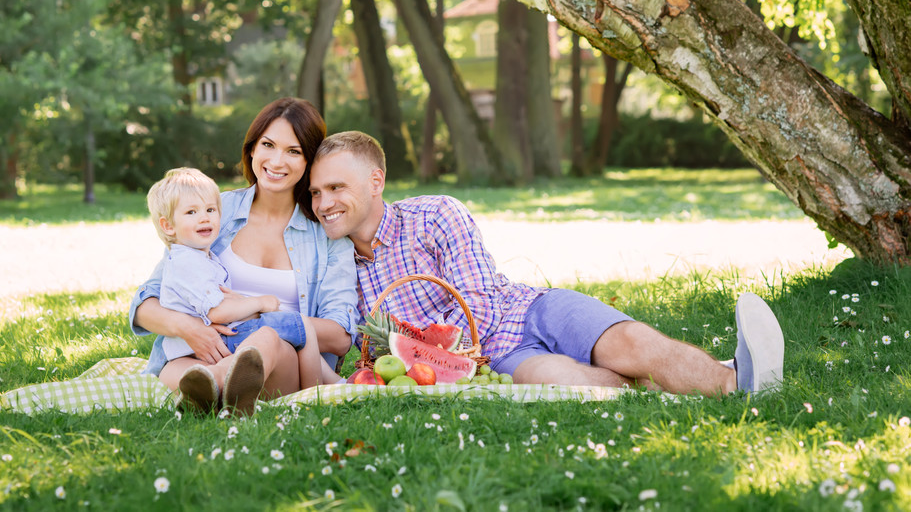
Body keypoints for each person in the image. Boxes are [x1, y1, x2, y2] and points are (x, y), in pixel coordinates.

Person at [308, 131, 785, 396]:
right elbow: (358, 340)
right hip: (497, 359)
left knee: (629, 343)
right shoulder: (336, 266)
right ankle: (717, 381)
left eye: (335, 188)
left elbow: (476, 298)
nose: (323, 202)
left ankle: (735, 380)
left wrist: (436, 351)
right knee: (559, 378)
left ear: (375, 180)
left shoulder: (435, 214)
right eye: (314, 193)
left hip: (529, 309)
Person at [129, 98, 358, 415]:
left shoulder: (328, 237)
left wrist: (263, 318)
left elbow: (341, 336)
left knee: (267, 339)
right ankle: (211, 390)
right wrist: (190, 329)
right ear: (252, 148)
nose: (277, 161)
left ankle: (214, 385)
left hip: (280, 364)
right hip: (202, 355)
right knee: (176, 368)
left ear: (309, 161)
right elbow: (145, 304)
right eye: (268, 144)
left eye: (294, 151)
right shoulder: (212, 212)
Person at [145, 167, 326, 398]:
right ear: (168, 226)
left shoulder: (200, 257)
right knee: (273, 335)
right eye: (191, 212)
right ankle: (311, 395)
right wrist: (260, 302)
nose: (204, 217)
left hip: (199, 353)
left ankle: (215, 388)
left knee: (184, 372)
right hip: (209, 348)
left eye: (210, 209)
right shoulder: (189, 262)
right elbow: (218, 312)